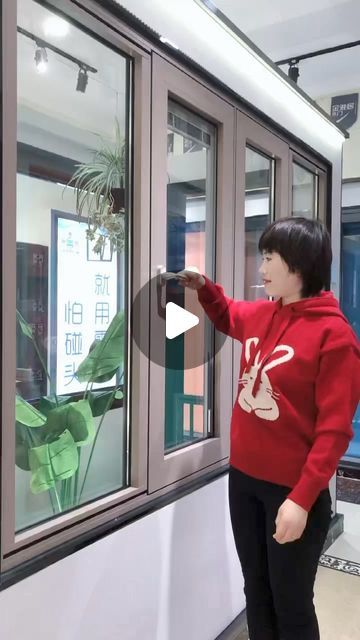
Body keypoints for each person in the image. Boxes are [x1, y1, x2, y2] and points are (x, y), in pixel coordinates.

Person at [177, 217, 360, 640]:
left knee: (291, 605)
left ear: (298, 265)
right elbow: (226, 315)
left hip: (293, 492)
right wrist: (204, 286)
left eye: (269, 258)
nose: (262, 268)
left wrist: (301, 498)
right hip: (244, 481)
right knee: (256, 592)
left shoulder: (335, 337)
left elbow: (334, 433)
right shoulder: (263, 315)